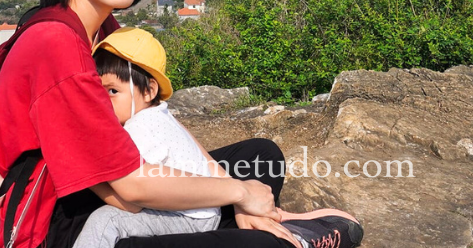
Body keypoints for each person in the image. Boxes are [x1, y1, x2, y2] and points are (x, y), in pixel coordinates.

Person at [0, 0, 361, 248]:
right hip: (60, 219)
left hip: (110, 181)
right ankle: (283, 237)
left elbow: (156, 116)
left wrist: (234, 194)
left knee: (260, 155)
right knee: (257, 235)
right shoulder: (55, 43)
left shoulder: (101, 28)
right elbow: (129, 188)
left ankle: (256, 223)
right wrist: (239, 191)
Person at [73, 26, 363, 248]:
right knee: (263, 154)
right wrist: (239, 194)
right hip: (203, 207)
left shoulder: (137, 128)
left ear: (148, 90)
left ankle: (285, 238)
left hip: (186, 216)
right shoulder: (158, 111)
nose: (103, 100)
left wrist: (88, 175)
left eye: (112, 91)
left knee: (106, 220)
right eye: (99, 91)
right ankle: (273, 224)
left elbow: (132, 199)